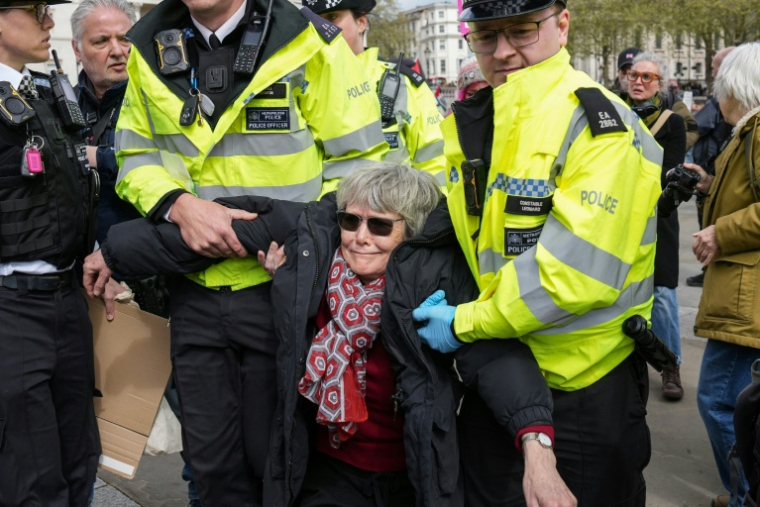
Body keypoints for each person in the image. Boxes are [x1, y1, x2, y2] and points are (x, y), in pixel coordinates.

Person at [83, 162, 566, 506]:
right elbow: (229, 225)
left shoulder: (437, 279)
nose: (359, 236)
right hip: (329, 472)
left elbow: (496, 357)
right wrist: (114, 253)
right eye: (350, 220)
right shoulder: (314, 251)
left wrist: (537, 448)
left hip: (412, 473)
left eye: (380, 226)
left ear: (411, 233)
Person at [110, 0, 387, 503]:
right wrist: (179, 206)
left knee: (280, 462)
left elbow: (360, 165)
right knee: (211, 469)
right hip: (193, 291)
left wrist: (298, 239)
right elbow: (134, 154)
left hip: (282, 291)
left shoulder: (310, 41)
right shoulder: (147, 48)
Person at [412, 0, 663, 505]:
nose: (503, 51)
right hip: (499, 373)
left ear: (562, 24)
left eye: (522, 31)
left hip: (579, 388)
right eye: (485, 35)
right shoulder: (488, 116)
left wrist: (464, 323)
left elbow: (573, 276)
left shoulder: (596, 123)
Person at [71, 1, 202, 505]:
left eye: (125, 38)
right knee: (82, 421)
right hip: (87, 287)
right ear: (79, 49)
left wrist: (97, 156)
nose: (117, 51)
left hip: (160, 280)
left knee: (197, 417)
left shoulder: (166, 91)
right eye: (101, 41)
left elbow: (177, 165)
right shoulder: (59, 103)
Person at [0, 1, 100, 506]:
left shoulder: (37, 94)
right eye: (35, 11)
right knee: (32, 473)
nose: (49, 23)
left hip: (65, 300)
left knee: (78, 457)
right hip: (12, 309)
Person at [682, 41, 760, 507]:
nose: (716, 98)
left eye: (719, 88)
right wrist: (711, 186)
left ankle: (745, 495)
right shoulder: (748, 132)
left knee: (720, 401)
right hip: (742, 292)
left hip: (745, 297)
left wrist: (720, 233)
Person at [304, 0, 446, 183]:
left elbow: (435, 160)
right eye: (315, 21)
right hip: (327, 209)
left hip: (398, 208)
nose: (322, 27)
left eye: (333, 17)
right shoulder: (302, 84)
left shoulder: (402, 83)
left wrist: (434, 210)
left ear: (361, 23)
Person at [625, 52, 687, 400]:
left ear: (659, 84)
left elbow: (669, 169)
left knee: (662, 294)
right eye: (634, 74)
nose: (639, 81)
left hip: (659, 217)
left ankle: (670, 365)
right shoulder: (614, 112)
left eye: (648, 77)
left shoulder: (671, 122)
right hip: (619, 215)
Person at [686, 46, 736, 288]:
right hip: (711, 172)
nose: (713, 74)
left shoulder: (748, 128)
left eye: (715, 69)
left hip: (713, 168)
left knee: (710, 223)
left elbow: (698, 125)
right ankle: (710, 269)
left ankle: (710, 268)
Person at [617, 46, 699, 150]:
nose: (637, 81)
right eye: (631, 74)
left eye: (646, 76)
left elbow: (692, 130)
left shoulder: (671, 103)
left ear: (660, 84)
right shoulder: (612, 101)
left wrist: (669, 148)